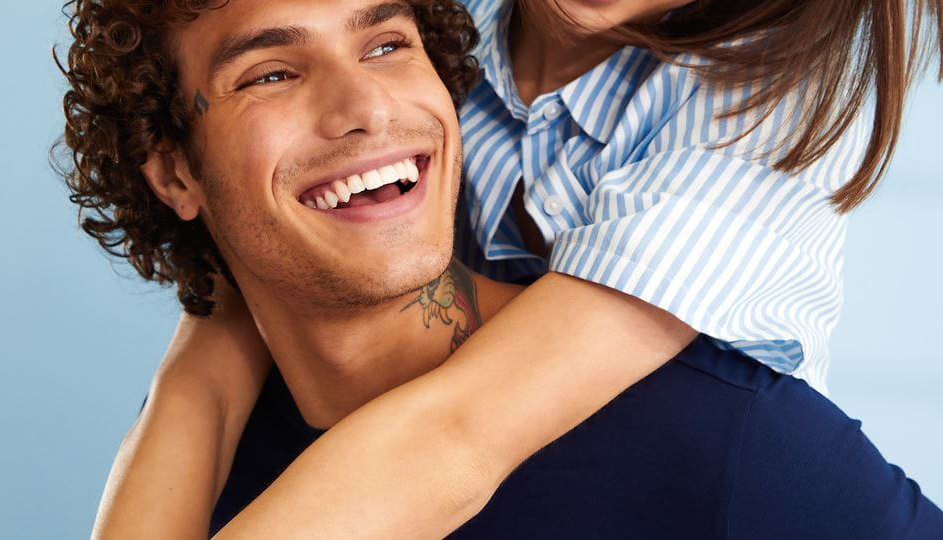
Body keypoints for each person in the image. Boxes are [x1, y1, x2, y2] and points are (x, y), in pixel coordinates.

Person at [52, 0, 943, 537]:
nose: (367, 105)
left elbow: (460, 434)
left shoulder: (758, 126)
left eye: (388, 47)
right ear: (171, 170)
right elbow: (213, 341)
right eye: (273, 75)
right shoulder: (236, 444)